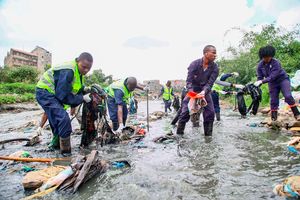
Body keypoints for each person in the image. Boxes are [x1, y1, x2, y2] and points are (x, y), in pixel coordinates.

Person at [36, 52, 93, 154]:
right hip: (45, 92)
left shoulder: (78, 72)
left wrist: (86, 89)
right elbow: (62, 95)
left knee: (57, 120)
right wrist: (81, 99)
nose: (86, 70)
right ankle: (65, 154)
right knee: (63, 119)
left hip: (53, 95)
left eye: (89, 68)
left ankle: (56, 145)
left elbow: (75, 89)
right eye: (84, 67)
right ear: (78, 61)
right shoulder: (68, 70)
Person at [177, 45, 219, 136]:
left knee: (210, 112)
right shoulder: (194, 64)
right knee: (185, 111)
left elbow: (210, 83)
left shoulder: (215, 67)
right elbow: (189, 81)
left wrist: (204, 92)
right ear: (206, 53)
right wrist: (192, 93)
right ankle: (179, 135)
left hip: (205, 92)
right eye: (213, 53)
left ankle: (208, 137)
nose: (215, 55)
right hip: (192, 91)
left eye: (216, 53)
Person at [254, 45, 300, 121]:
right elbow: (260, 77)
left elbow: (273, 76)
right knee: (273, 100)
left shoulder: (276, 63)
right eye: (265, 57)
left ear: (271, 56)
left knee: (288, 96)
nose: (267, 59)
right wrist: (258, 83)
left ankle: (297, 114)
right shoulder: (260, 66)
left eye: (269, 57)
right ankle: (274, 119)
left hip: (283, 80)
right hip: (272, 83)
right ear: (262, 57)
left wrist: (262, 81)